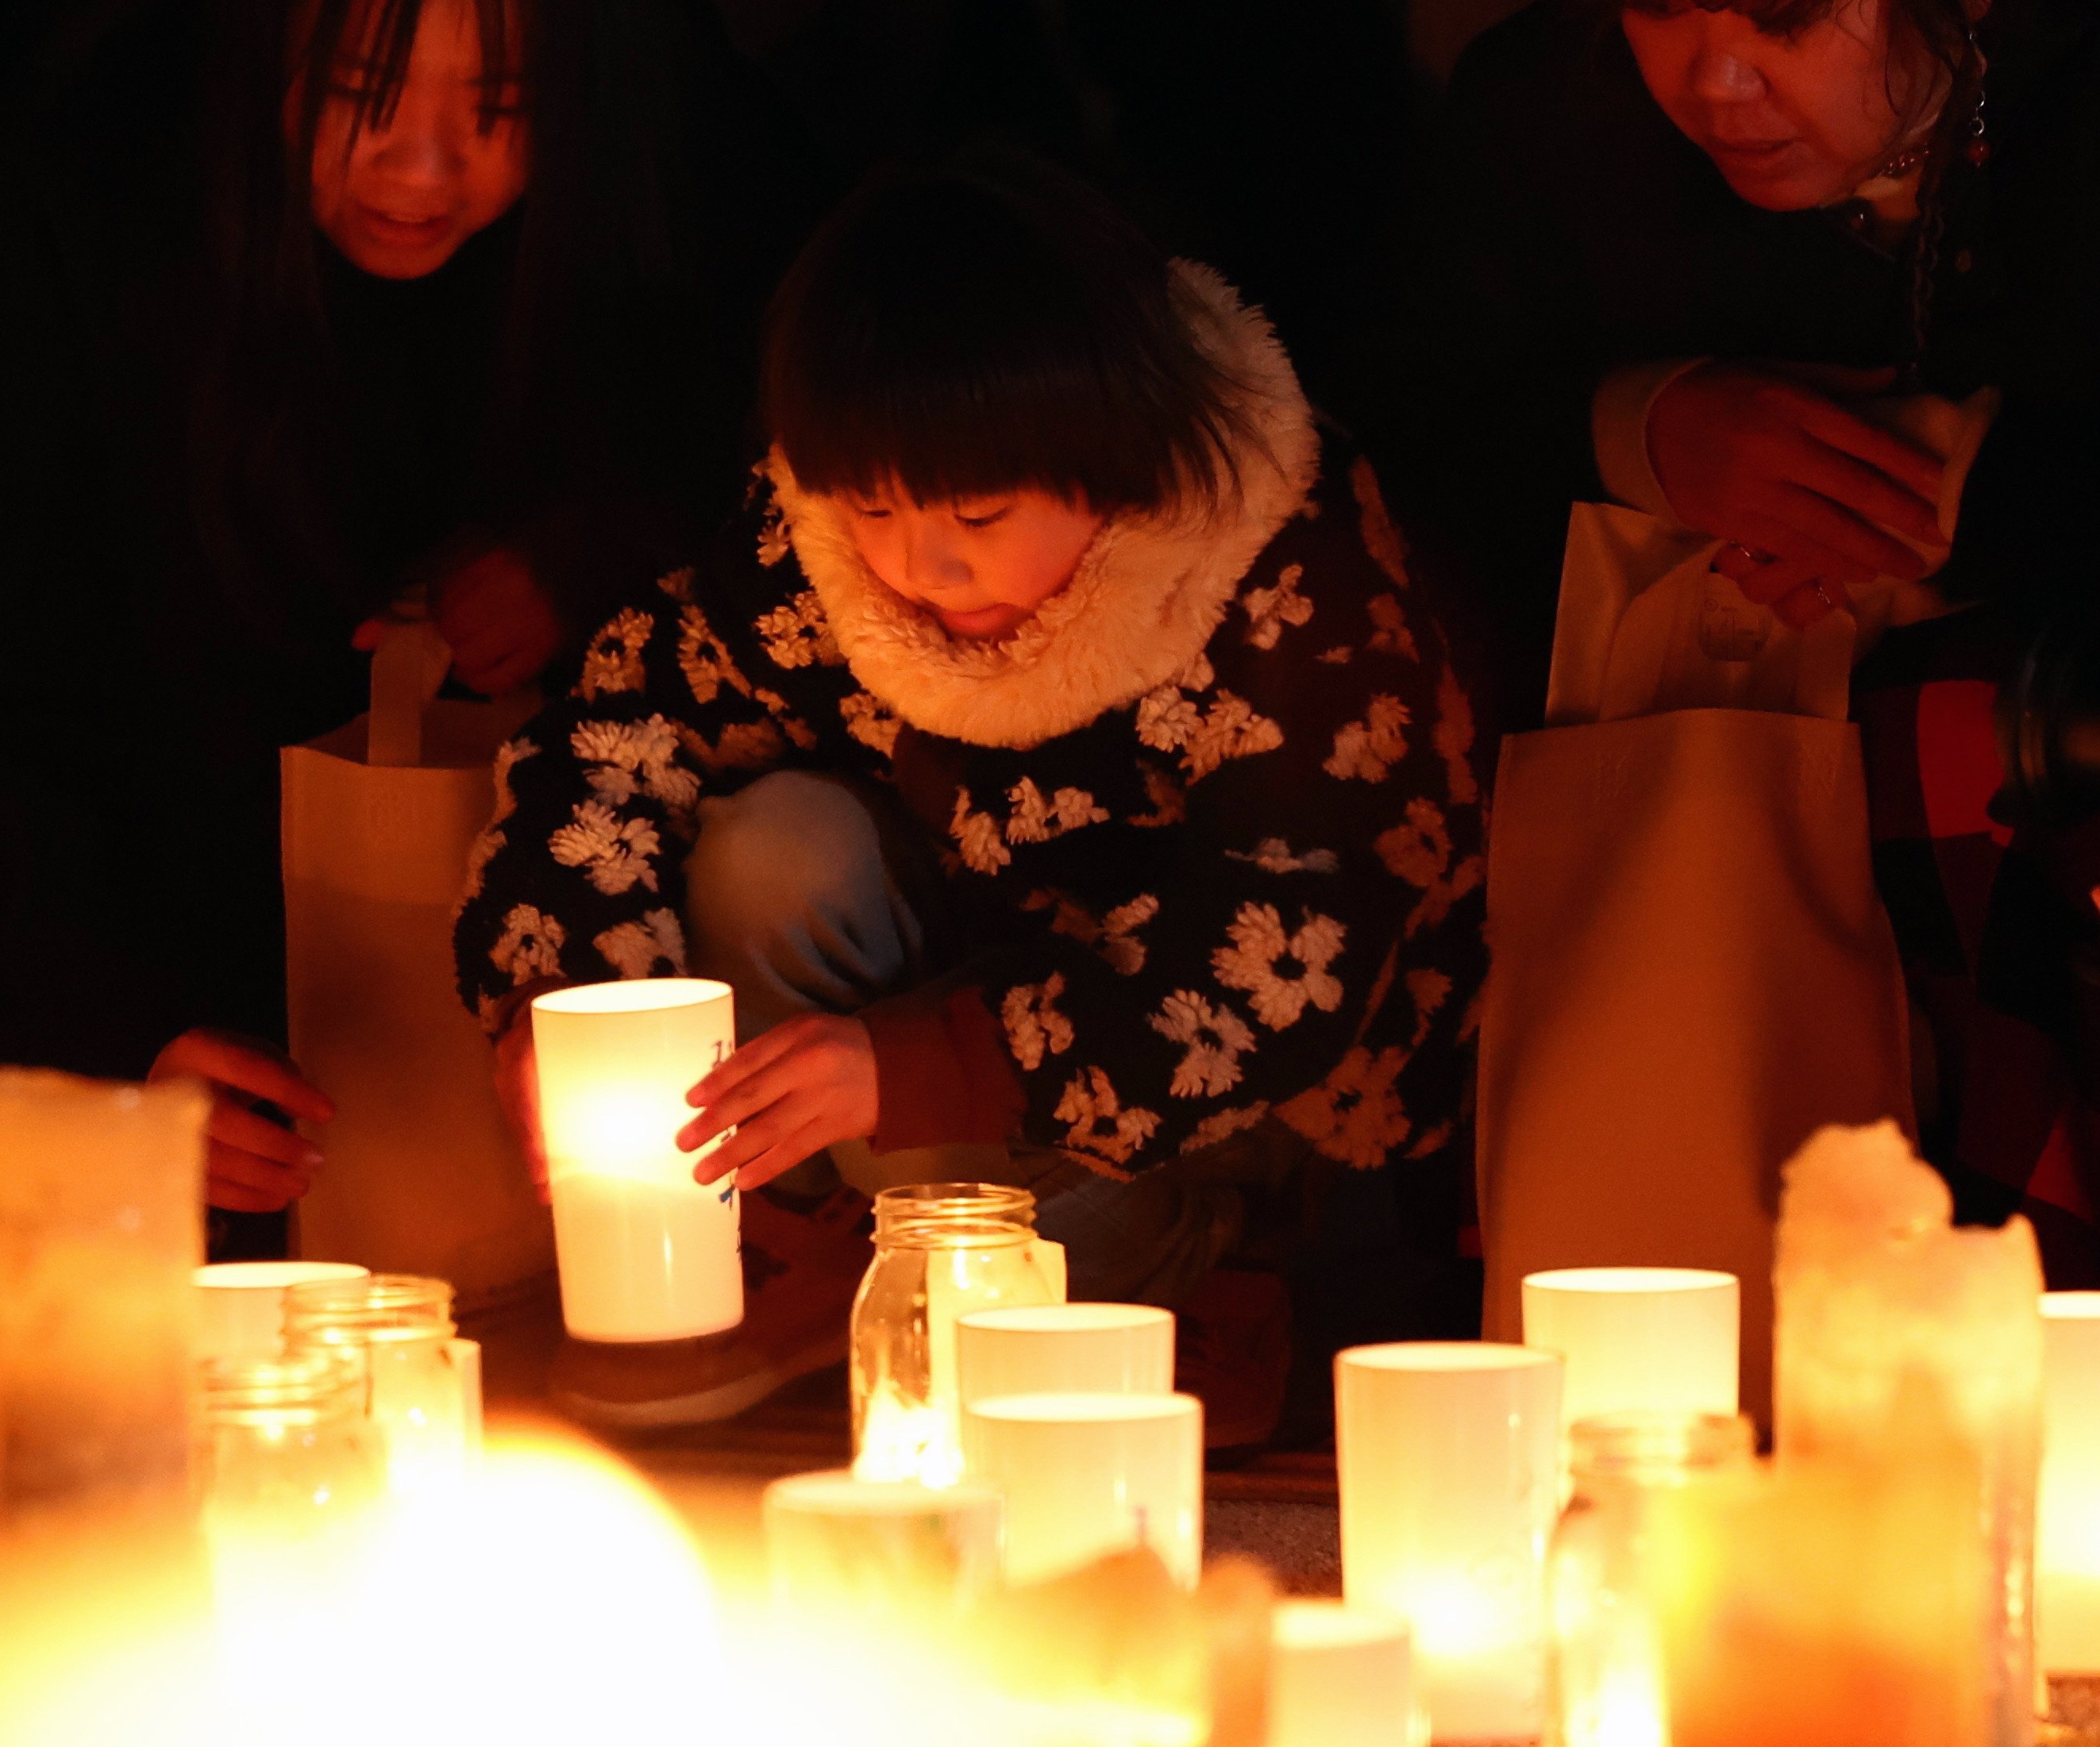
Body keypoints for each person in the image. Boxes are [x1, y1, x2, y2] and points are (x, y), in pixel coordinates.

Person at [0, 0, 782, 1222]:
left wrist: (595, 545)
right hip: (158, 929)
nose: (422, 172)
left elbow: (792, 452)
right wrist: (109, 1049)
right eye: (366, 93)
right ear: (261, 48)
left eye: (497, 111)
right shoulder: (82, 215)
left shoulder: (656, 145)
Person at [456, 152, 1487, 1428]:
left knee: (996, 1191)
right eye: (874, 507)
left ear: (1116, 451)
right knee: (772, 845)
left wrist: (915, 1069)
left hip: (1248, 1127)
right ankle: (865, 1254)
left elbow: (1291, 955)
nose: (921, 564)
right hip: (957, 1037)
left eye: (982, 514)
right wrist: (553, 993)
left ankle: (1199, 1280)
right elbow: (615, 729)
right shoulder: (830, 551)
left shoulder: (1283, 580)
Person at [1377, 0, 2100, 1271]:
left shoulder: (2067, 139)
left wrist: (1950, 490)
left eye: (1785, 10)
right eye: (1658, 3)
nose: (1716, 78)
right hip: (1686, 777)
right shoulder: (1551, 123)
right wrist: (1643, 433)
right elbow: (1411, 420)